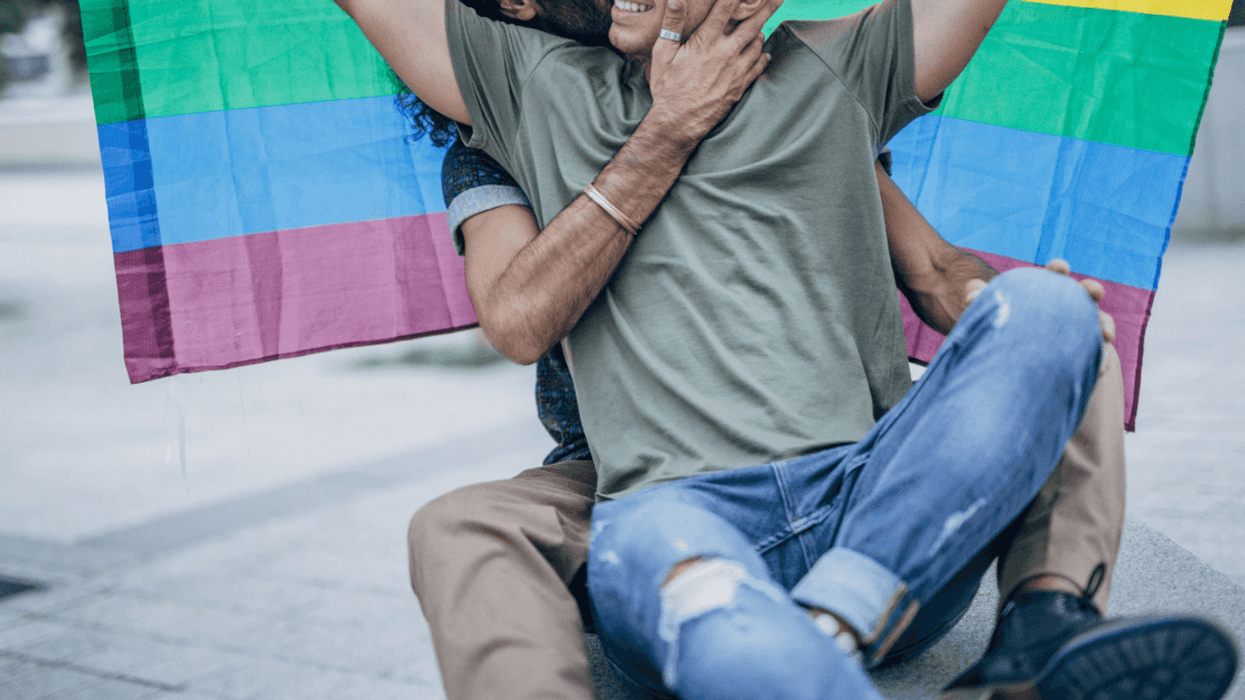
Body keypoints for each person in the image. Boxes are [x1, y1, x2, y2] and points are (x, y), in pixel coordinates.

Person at [335, 0, 1240, 696]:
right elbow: (517, 319)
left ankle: (994, 624)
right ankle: (820, 639)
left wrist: (995, 323)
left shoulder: (833, 60)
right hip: (669, 506)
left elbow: (934, 266)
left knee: (1051, 308)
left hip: (870, 492)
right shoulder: (524, 85)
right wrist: (669, 124)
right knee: (616, 561)